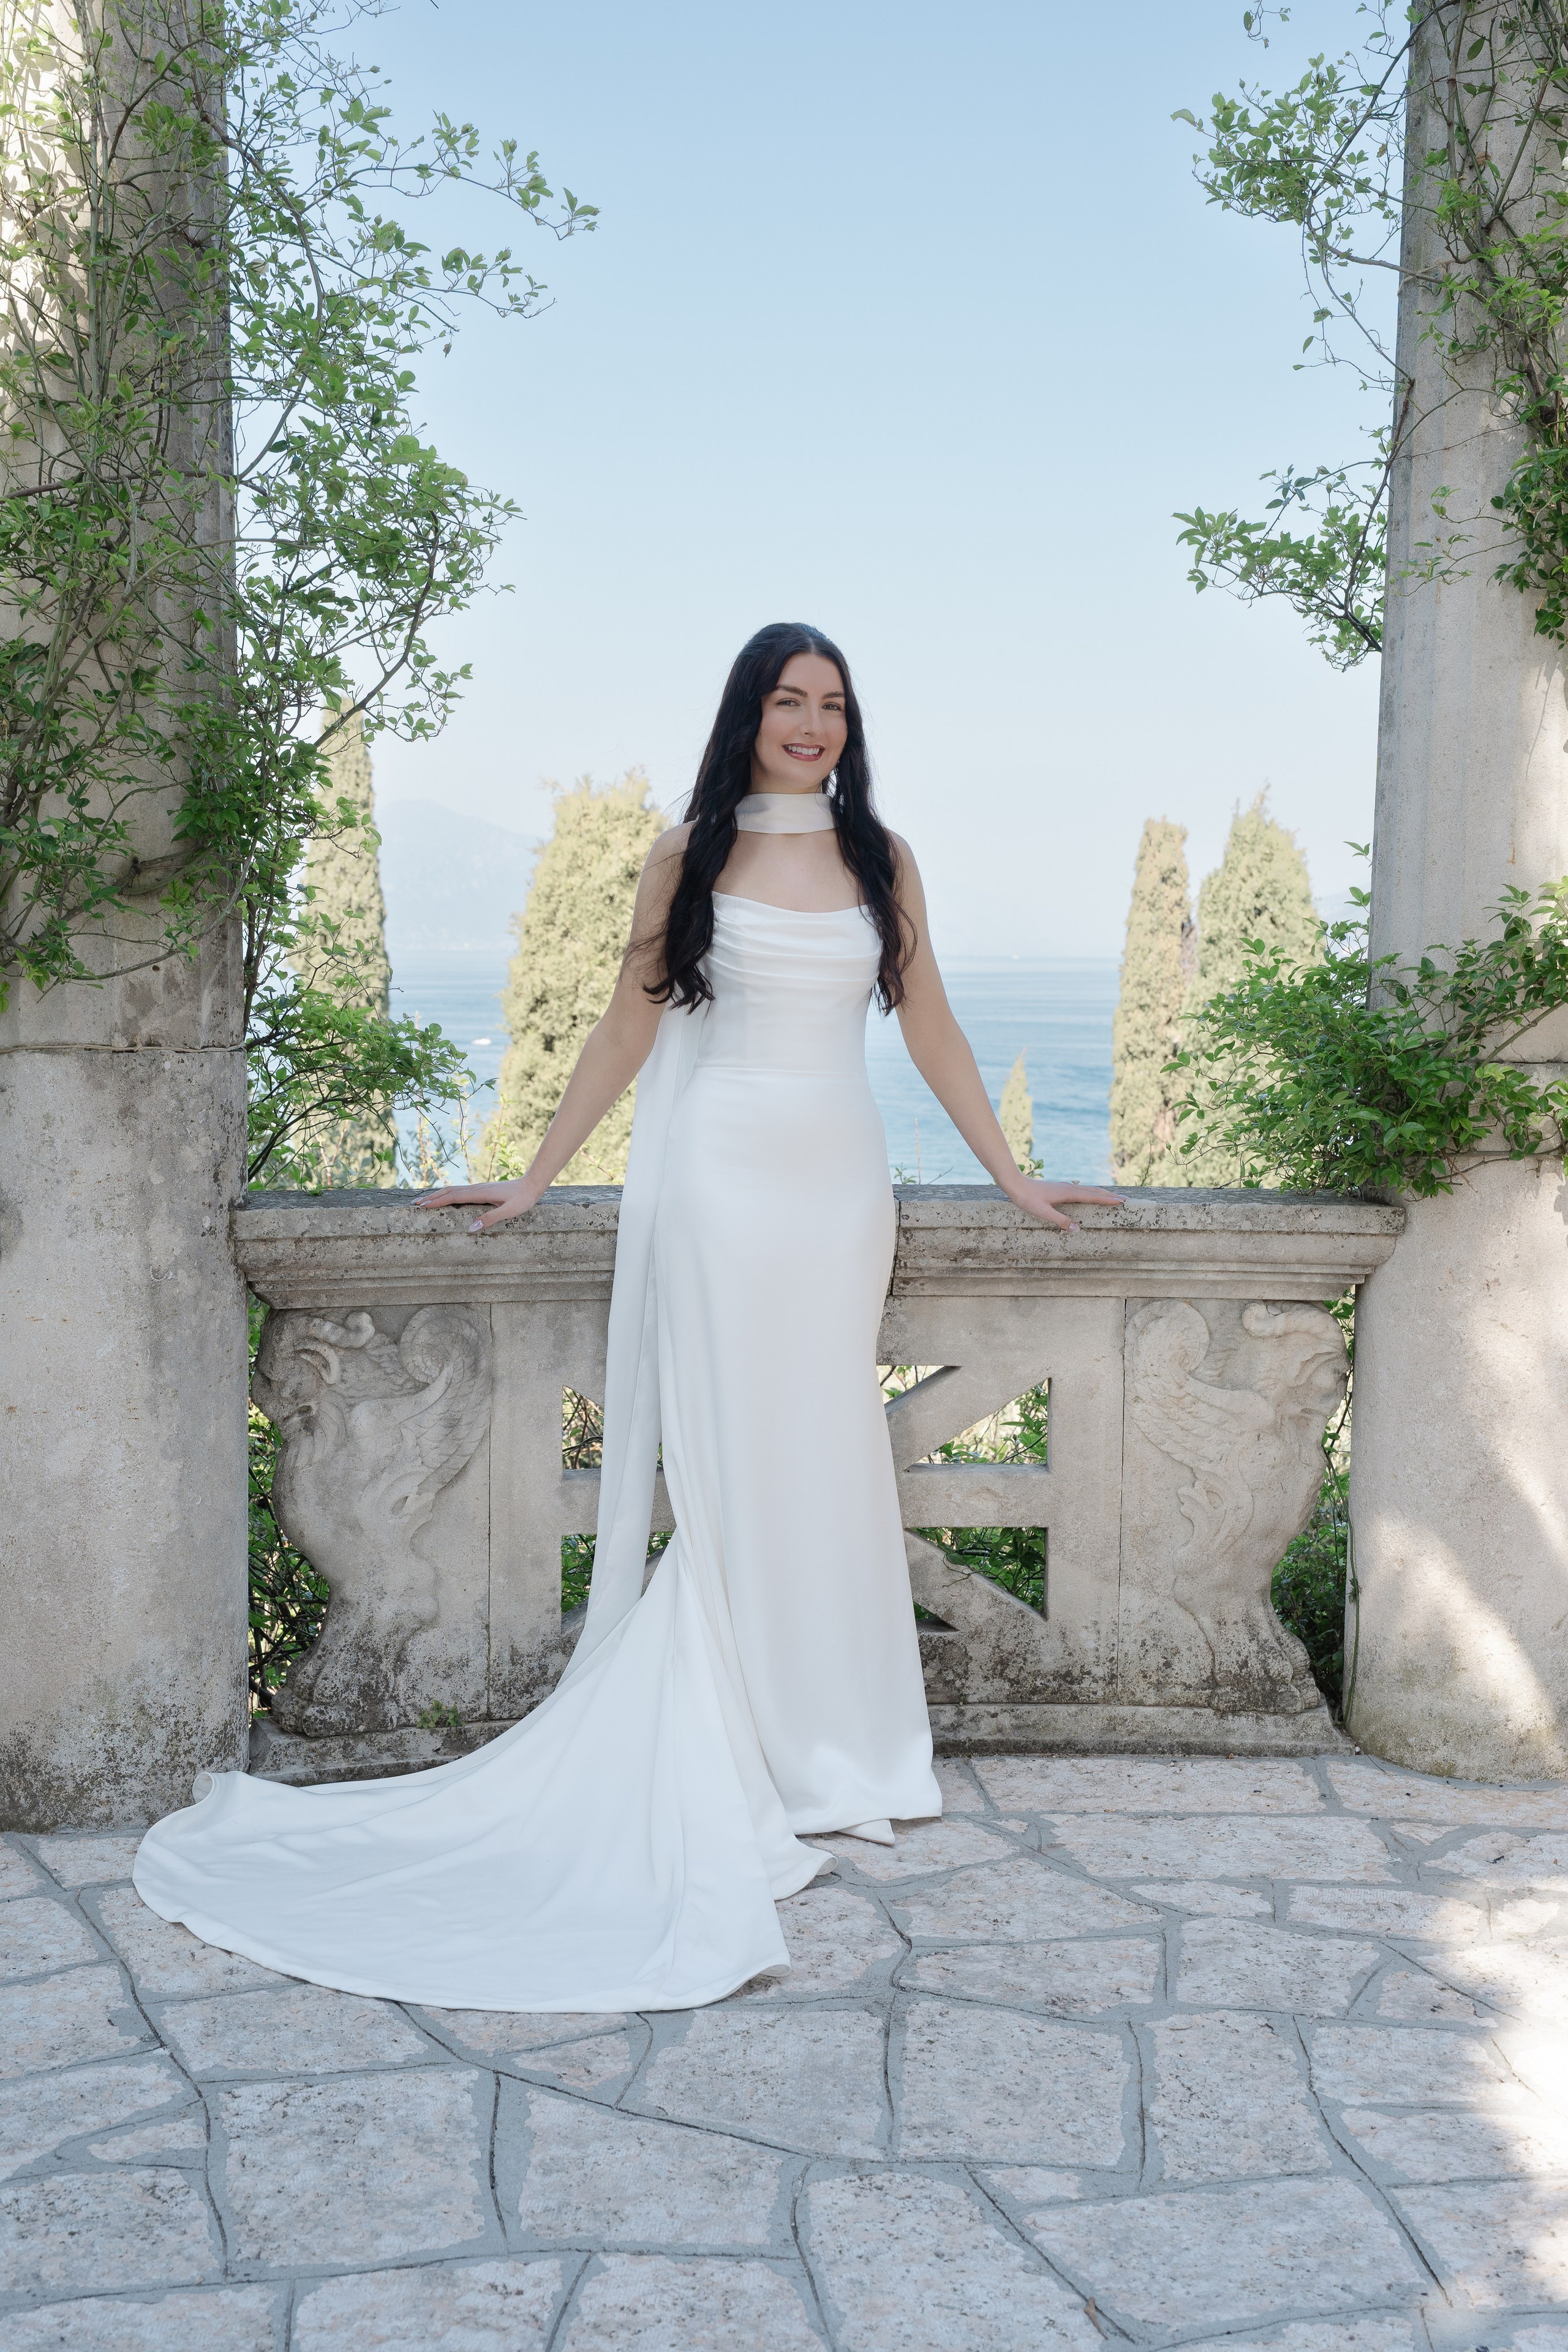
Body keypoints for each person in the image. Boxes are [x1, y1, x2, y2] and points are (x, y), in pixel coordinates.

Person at [132, 622, 1123, 2011]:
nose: (813, 725)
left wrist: (1013, 1177)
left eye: (833, 706)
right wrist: (535, 1176)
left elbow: (932, 1026)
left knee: (823, 1447)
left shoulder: (882, 857)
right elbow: (626, 1027)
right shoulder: (688, 854)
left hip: (838, 1188)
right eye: (789, 701)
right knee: (733, 1461)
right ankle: (753, 1740)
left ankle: (837, 1745)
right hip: (719, 1184)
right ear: (748, 714)